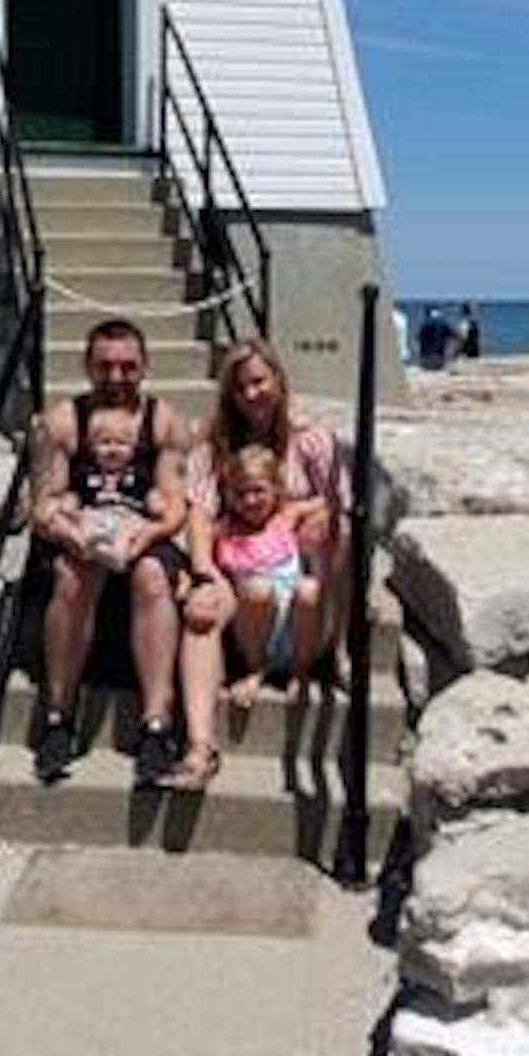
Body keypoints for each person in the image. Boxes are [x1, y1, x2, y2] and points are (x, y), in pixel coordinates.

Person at [170, 337, 346, 791]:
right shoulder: (214, 446)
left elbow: (338, 503)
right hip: (238, 567)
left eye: (259, 382)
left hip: (298, 570)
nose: (252, 394)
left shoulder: (312, 441)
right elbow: (199, 513)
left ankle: (332, 648)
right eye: (240, 386)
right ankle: (199, 747)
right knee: (202, 614)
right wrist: (203, 572)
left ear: (279, 380)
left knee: (331, 532)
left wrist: (310, 515)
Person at [29, 317, 190, 787]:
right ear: (87, 366)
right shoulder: (63, 422)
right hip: (81, 534)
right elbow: (42, 504)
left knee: (152, 577)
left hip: (141, 534)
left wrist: (147, 532)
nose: (116, 377)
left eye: (127, 367)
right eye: (105, 367)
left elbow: (175, 504)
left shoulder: (165, 421)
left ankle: (156, 722)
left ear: (145, 367)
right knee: (74, 575)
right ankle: (59, 715)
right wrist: (66, 530)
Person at [209, 443, 327, 710]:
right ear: (229, 495)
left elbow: (328, 499)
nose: (250, 500)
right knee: (257, 589)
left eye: (258, 491)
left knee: (309, 589)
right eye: (241, 493)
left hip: (295, 629)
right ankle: (256, 671)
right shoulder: (224, 529)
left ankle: (301, 671)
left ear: (277, 489)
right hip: (253, 634)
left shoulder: (286, 518)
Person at [53, 402, 170, 572]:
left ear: (132, 449)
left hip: (127, 514)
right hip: (96, 515)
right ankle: (88, 545)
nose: (113, 449)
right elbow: (76, 495)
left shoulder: (138, 475)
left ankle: (119, 554)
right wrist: (68, 505)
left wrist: (156, 502)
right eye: (105, 443)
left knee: (133, 527)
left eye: (121, 444)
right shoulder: (87, 475)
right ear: (93, 448)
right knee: (76, 521)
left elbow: (149, 495)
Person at [417, 305, 458, 370]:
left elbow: (417, 338)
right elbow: (455, 336)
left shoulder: (424, 325)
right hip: (438, 362)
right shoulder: (443, 323)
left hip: (424, 362)